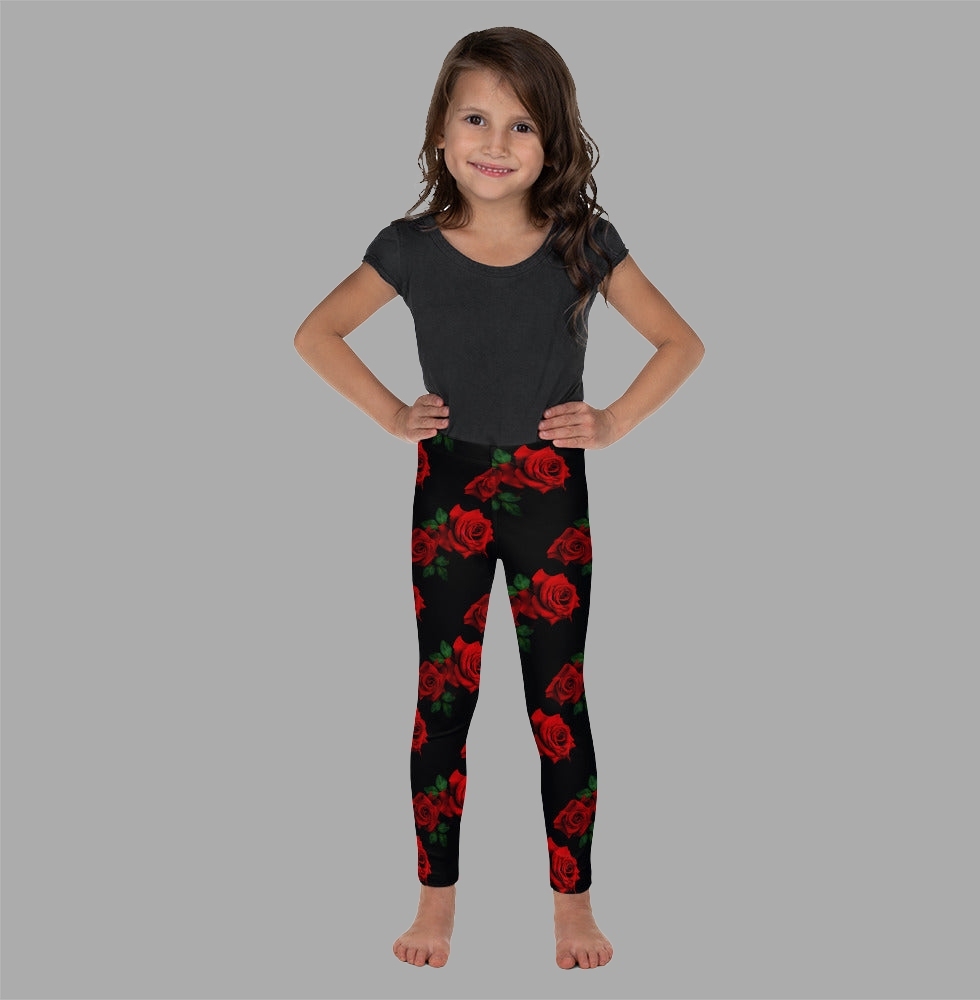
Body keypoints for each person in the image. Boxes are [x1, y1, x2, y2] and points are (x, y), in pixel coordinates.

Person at [294, 26, 704, 970]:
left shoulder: (582, 242)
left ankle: (574, 904)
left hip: (550, 494)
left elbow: (681, 342)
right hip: (448, 492)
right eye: (476, 119)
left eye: (522, 125)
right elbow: (317, 332)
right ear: (440, 132)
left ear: (553, 142)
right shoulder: (407, 248)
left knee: (557, 700)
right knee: (444, 696)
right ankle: (434, 901)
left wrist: (613, 421)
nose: (496, 142)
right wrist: (393, 413)